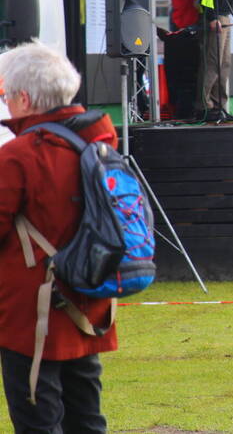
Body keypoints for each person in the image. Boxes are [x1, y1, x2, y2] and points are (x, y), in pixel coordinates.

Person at [0, 43, 118, 432]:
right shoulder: (99, 141)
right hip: (89, 299)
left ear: (24, 97)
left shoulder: (19, 156)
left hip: (32, 314)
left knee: (38, 421)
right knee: (87, 417)